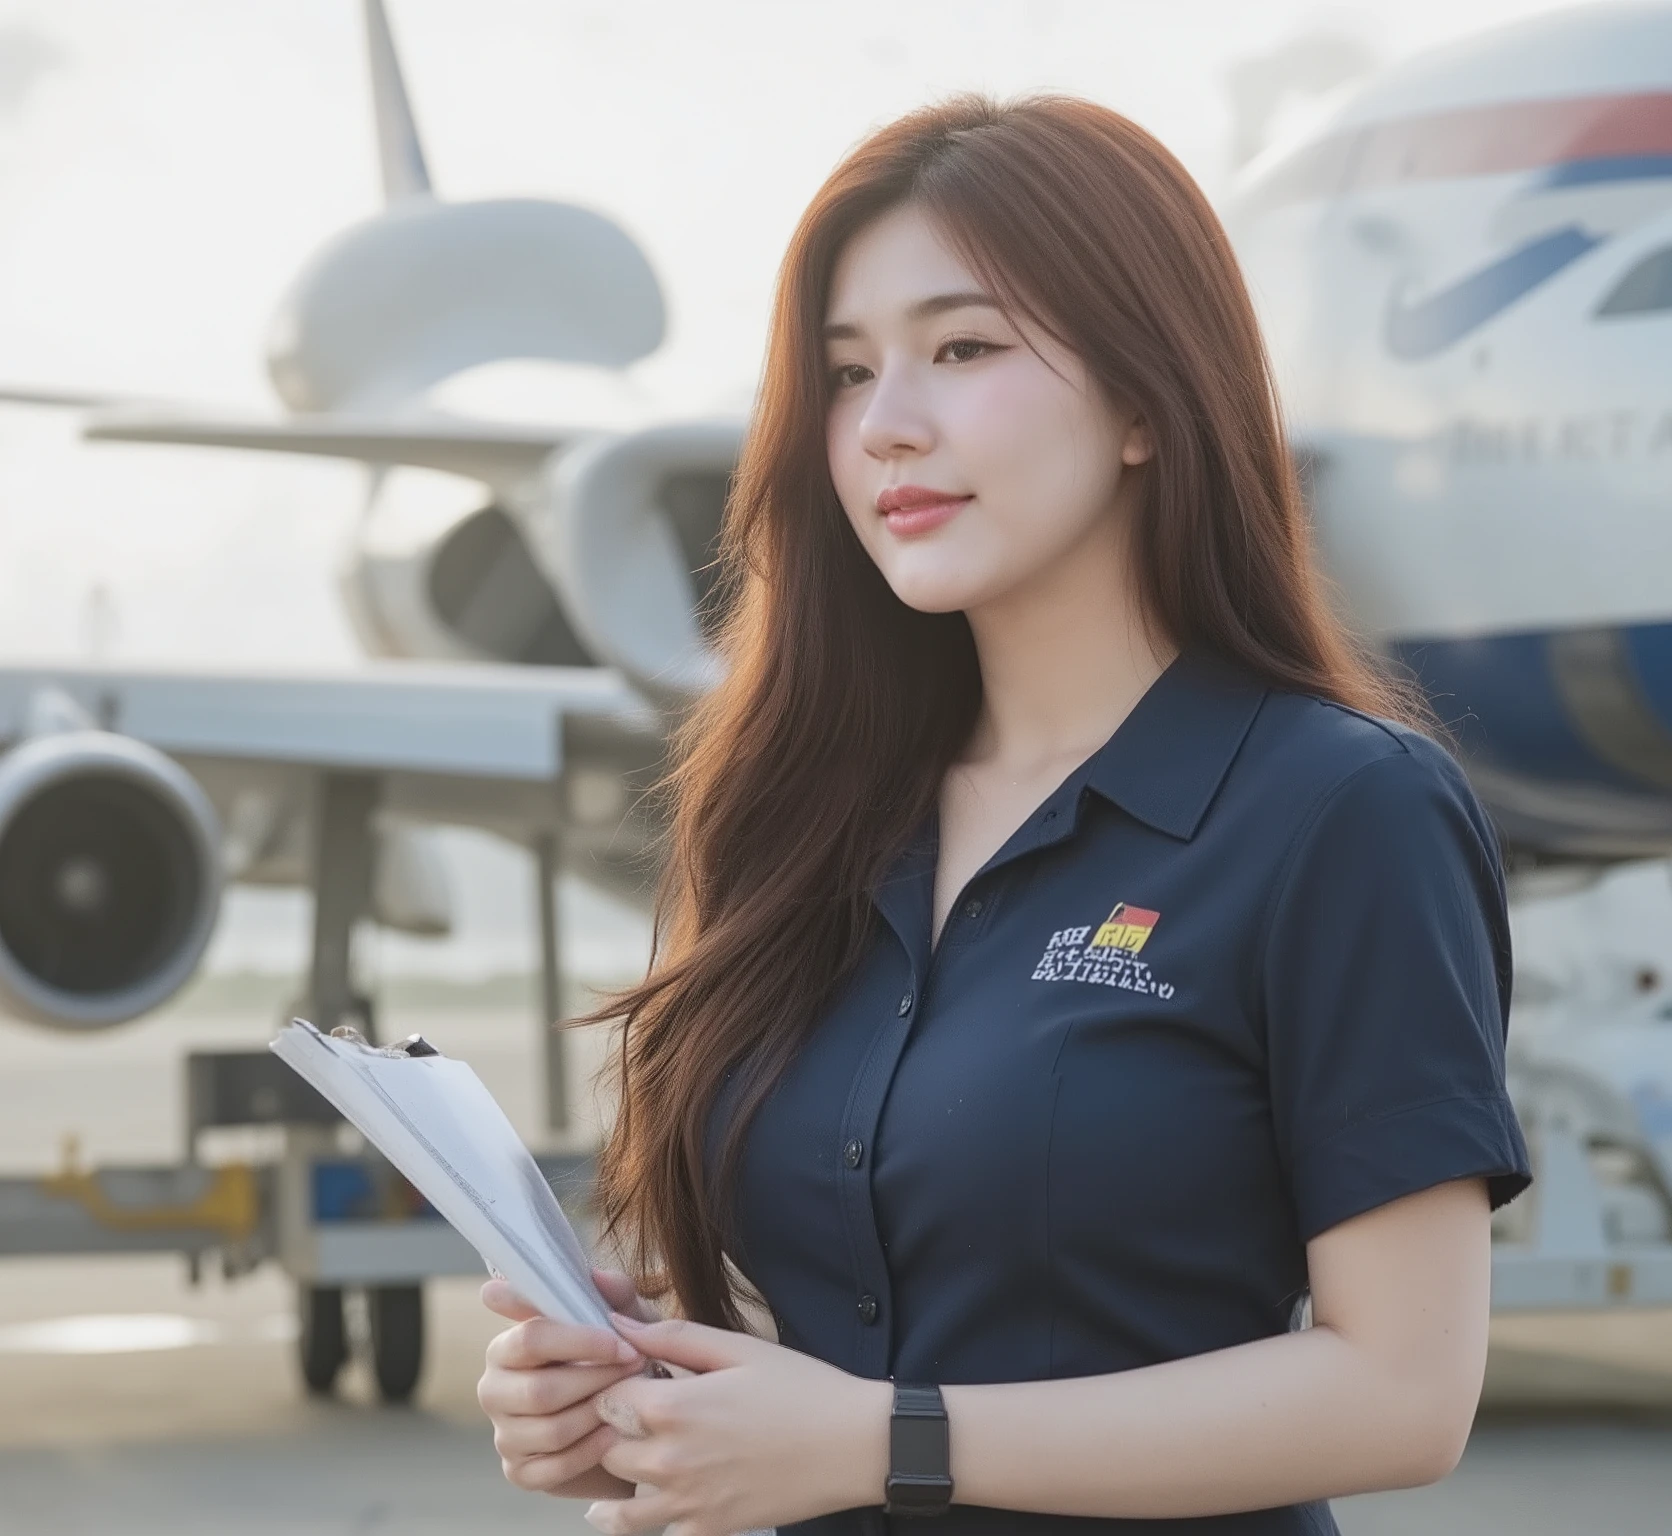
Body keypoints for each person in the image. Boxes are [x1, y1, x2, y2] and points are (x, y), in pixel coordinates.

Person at [475, 93, 1530, 1536]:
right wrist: (641, 1408)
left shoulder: (1342, 811)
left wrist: (881, 1444)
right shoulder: (806, 813)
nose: (885, 428)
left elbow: (1401, 1394)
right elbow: (839, 1349)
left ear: (1148, 401)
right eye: (848, 374)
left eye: (963, 349)